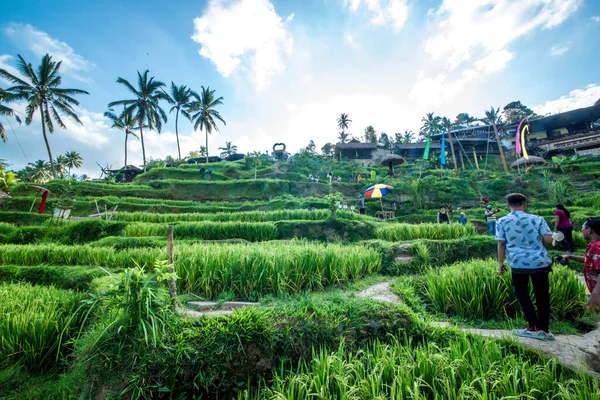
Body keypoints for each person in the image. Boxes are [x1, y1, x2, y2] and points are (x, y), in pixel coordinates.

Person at [496, 193, 555, 341]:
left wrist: (500, 263)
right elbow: (548, 239)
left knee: (522, 293)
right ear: (525, 204)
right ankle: (545, 330)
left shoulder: (502, 221)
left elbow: (501, 243)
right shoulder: (537, 219)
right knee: (542, 295)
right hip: (540, 262)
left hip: (518, 263)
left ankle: (533, 327)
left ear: (508, 205)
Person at [561, 217, 600, 311]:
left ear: (589, 230)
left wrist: (595, 293)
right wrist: (570, 256)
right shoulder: (594, 246)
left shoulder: (597, 246)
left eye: (582, 228)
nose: (581, 230)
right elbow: (590, 261)